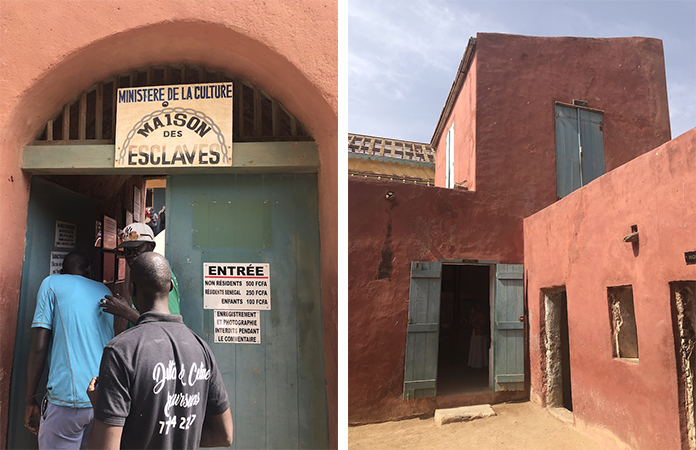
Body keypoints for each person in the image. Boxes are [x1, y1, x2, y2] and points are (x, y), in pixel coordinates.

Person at [87, 252, 233, 449]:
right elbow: (224, 436)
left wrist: (100, 406)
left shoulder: (121, 351)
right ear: (171, 286)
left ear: (132, 288)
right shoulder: (201, 349)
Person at [24, 252, 114, 449]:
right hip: (102, 398)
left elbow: (39, 348)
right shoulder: (105, 290)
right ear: (88, 272)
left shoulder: (51, 283)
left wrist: (30, 398)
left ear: (62, 272)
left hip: (67, 400)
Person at [100, 222, 180, 324]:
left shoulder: (158, 274)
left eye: (136, 248)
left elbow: (167, 327)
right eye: (127, 249)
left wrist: (126, 311)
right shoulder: (142, 273)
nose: (131, 254)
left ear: (151, 246)